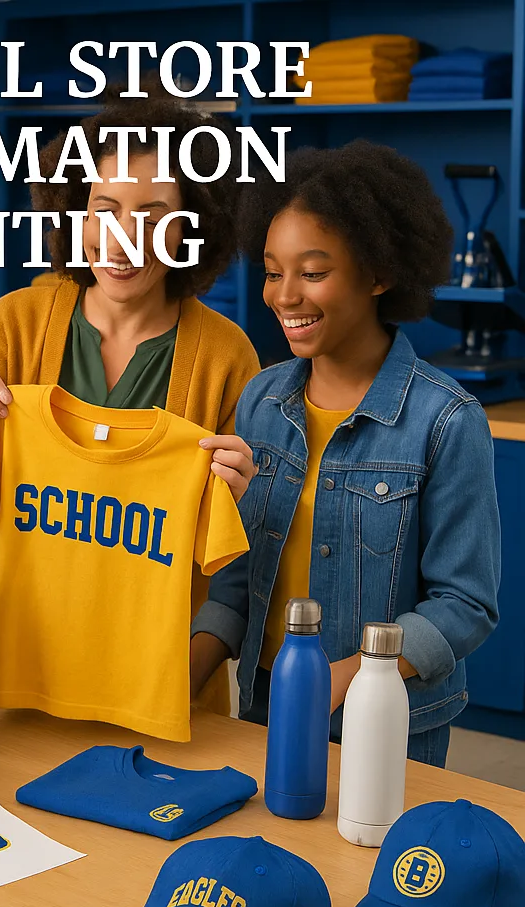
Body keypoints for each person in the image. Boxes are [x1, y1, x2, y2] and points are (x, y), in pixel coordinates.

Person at [0, 96, 261, 720]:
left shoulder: (225, 356)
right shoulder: (17, 323)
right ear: (75, 213)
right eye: (104, 209)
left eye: (154, 216)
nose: (123, 238)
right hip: (18, 677)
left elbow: (239, 562)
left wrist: (243, 495)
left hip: (157, 689)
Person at [189, 139, 500, 767]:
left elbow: (465, 605)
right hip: (264, 710)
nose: (284, 296)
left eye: (312, 273)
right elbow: (237, 583)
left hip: (385, 728)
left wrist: (347, 677)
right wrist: (178, 677)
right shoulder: (260, 402)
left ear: (379, 274)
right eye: (273, 272)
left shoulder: (445, 420)